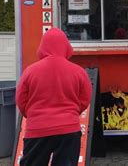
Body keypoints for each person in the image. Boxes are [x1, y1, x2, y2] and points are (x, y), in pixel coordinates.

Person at [16, 28, 92, 166]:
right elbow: (85, 98)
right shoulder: (79, 72)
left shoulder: (30, 71)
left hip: (37, 129)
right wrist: (72, 113)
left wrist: (33, 115)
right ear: (66, 46)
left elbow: (21, 100)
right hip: (69, 130)